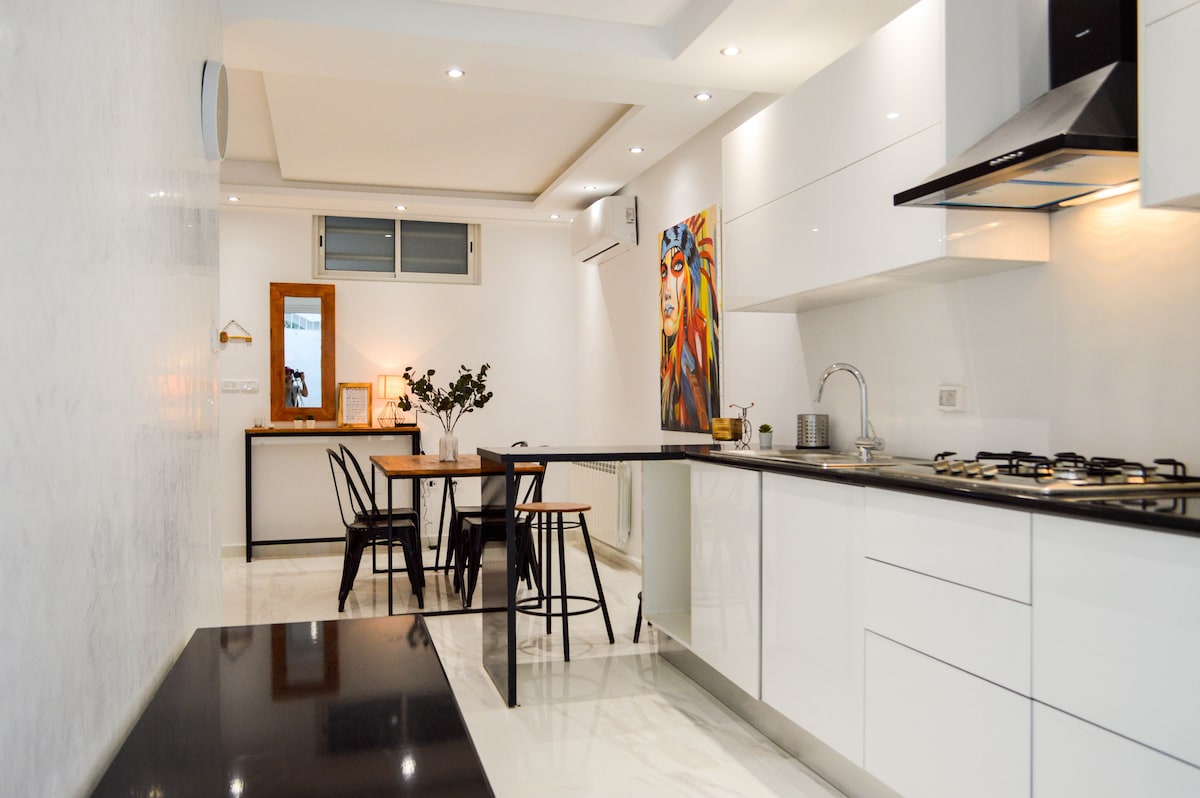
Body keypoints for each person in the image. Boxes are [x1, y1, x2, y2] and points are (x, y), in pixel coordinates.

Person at [659, 209, 720, 432]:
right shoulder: (672, 366)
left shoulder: (699, 349)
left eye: (677, 267)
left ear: (691, 280)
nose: (666, 290)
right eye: (664, 272)